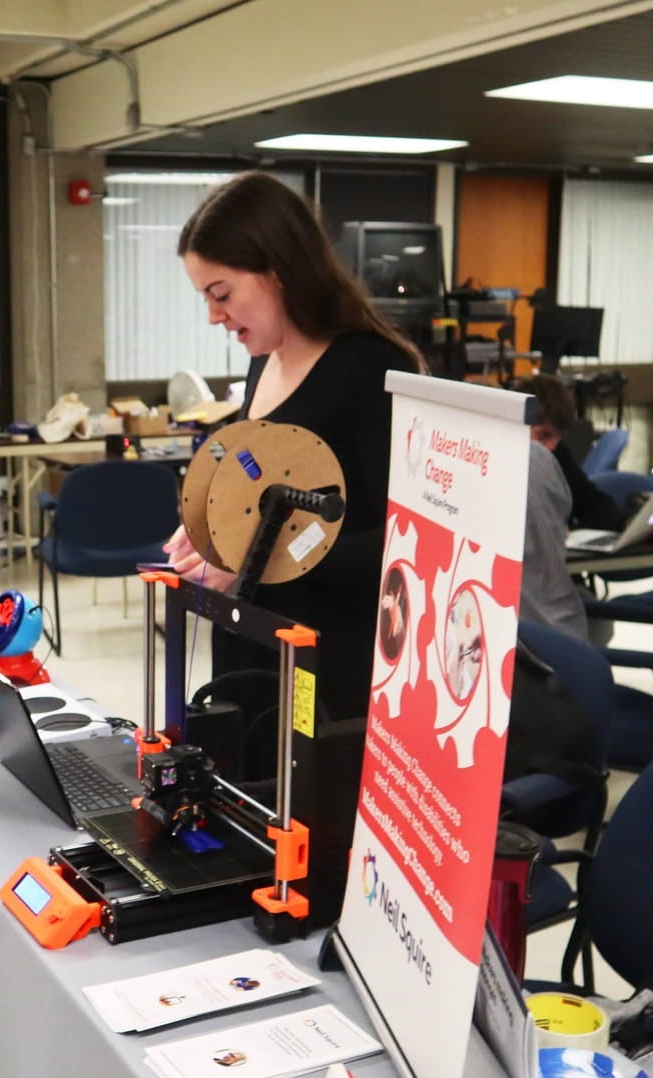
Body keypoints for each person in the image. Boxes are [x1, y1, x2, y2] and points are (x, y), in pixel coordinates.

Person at [164, 172, 422, 721]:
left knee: (303, 800)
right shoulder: (264, 360)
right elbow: (264, 494)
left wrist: (255, 559)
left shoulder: (372, 368)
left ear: (278, 271)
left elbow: (405, 539)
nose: (214, 315)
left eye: (222, 294)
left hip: (329, 669)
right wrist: (215, 531)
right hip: (254, 647)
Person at [515, 374, 593, 641]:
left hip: (545, 608)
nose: (551, 447)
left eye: (557, 438)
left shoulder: (553, 455)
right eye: (544, 435)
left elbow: (593, 501)